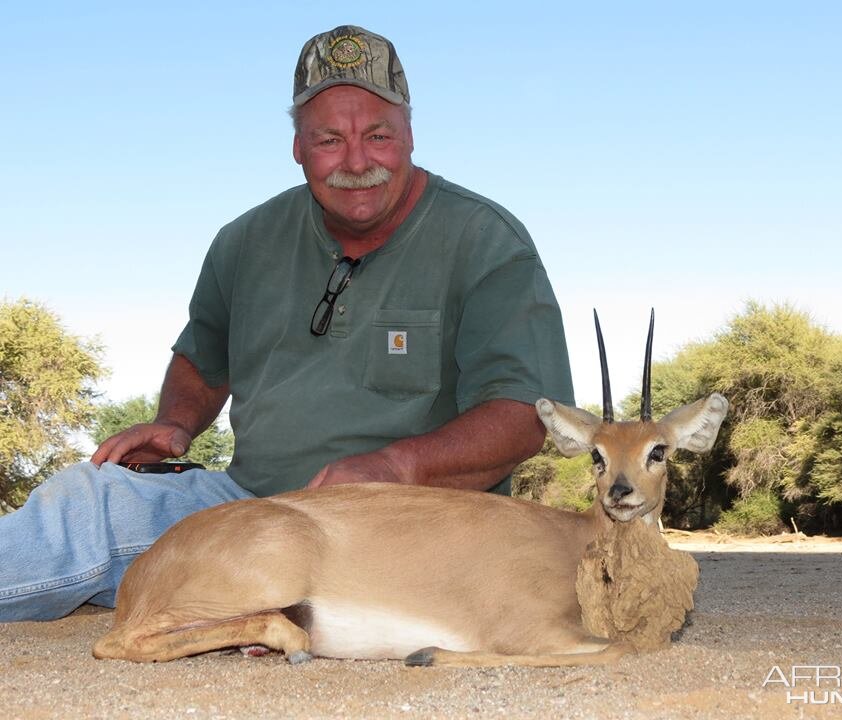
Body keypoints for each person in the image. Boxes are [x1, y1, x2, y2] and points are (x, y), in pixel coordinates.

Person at [0, 25, 574, 622]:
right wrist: (174, 423)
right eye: (329, 139)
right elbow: (204, 355)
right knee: (90, 501)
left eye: (377, 135)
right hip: (251, 508)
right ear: (298, 147)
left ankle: (259, 605)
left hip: (413, 525)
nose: (357, 161)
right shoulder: (243, 242)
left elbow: (524, 415)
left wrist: (393, 468)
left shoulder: (485, 240)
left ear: (409, 135)